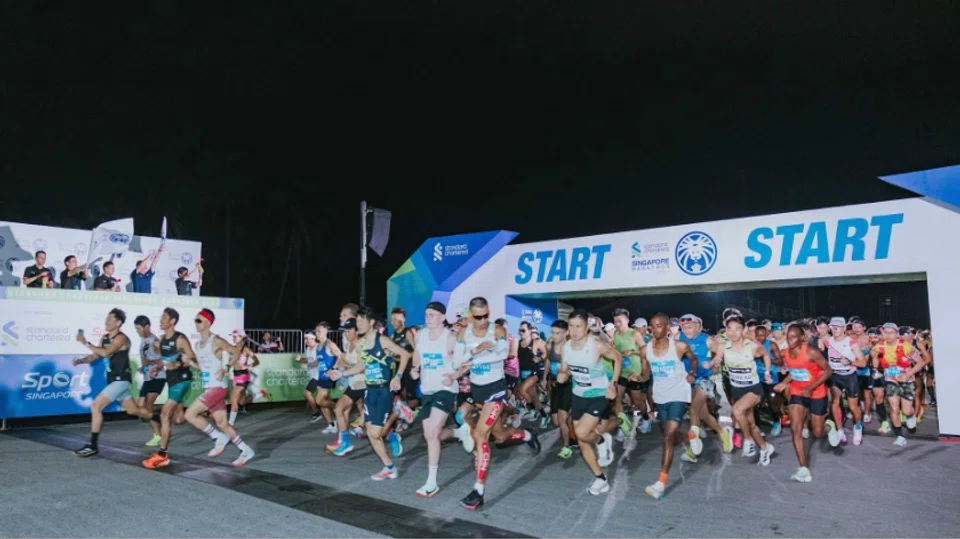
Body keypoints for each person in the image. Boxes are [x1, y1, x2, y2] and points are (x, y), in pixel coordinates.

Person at [453, 297, 540, 511]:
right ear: (471, 315)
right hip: (478, 390)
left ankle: (478, 491)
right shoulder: (464, 333)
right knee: (500, 436)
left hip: (496, 390)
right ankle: (528, 435)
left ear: (489, 313)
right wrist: (476, 351)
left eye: (485, 316)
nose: (482, 321)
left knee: (481, 434)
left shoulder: (498, 330)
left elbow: (501, 355)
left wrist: (472, 359)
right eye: (477, 317)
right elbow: (456, 361)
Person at [328, 306, 411, 480]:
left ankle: (397, 410)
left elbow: (404, 354)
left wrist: (398, 376)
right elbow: (361, 366)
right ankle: (389, 467)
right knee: (369, 431)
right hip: (370, 390)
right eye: (356, 321)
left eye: (360, 321)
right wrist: (341, 373)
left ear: (371, 322)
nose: (358, 324)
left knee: (375, 433)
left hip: (384, 390)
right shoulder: (360, 344)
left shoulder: (383, 341)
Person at [555, 310, 629, 495]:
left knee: (580, 432)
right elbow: (565, 369)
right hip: (578, 394)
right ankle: (601, 479)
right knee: (581, 439)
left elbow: (618, 358)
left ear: (587, 327)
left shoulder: (596, 344)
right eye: (571, 326)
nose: (574, 330)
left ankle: (603, 438)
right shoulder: (566, 347)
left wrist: (614, 384)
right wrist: (562, 375)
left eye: (578, 326)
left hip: (598, 393)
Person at [72, 309, 161, 456]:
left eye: (110, 320)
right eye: (106, 319)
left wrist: (86, 342)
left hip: (121, 381)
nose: (106, 322)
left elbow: (106, 353)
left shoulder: (122, 339)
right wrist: (81, 361)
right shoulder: (105, 338)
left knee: (96, 406)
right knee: (133, 410)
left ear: (118, 323)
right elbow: (96, 355)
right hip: (113, 380)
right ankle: (157, 417)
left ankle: (92, 445)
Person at [409, 301, 470, 497]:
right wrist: (414, 368)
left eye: (432, 315)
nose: (428, 318)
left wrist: (453, 376)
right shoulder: (420, 335)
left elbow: (466, 363)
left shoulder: (450, 338)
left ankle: (431, 482)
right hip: (427, 390)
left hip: (445, 389)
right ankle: (458, 433)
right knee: (430, 435)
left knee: (433, 431)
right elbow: (417, 354)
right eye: (426, 314)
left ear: (443, 317)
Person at [183, 308, 256, 466]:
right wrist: (190, 363)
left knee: (189, 414)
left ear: (208, 323)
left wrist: (227, 367)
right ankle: (245, 450)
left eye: (199, 320)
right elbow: (203, 368)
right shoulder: (198, 344)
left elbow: (235, 351)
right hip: (209, 387)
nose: (196, 323)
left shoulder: (215, 340)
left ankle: (218, 437)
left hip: (218, 388)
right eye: (195, 319)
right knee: (223, 424)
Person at [638, 313, 698, 500]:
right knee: (670, 436)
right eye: (651, 325)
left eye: (658, 325)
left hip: (679, 394)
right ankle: (690, 435)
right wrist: (638, 377)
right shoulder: (645, 350)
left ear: (666, 328)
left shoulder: (679, 346)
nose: (653, 329)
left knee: (667, 437)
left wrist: (692, 373)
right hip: (660, 396)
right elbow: (646, 374)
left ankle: (660, 483)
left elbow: (693, 359)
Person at [711, 315, 775, 465]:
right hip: (736, 389)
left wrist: (767, 372)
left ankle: (748, 441)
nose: (733, 333)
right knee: (751, 424)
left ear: (743, 330)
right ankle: (765, 448)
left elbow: (765, 354)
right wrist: (714, 365)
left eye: (737, 329)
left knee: (737, 411)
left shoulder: (751, 345)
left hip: (753, 389)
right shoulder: (723, 347)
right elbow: (716, 366)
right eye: (729, 329)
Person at [775, 324, 833, 483]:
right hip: (797, 392)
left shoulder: (811, 352)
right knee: (795, 429)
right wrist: (784, 383)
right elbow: (794, 372)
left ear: (802, 338)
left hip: (817, 392)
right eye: (788, 337)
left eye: (794, 337)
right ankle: (803, 469)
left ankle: (829, 426)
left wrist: (811, 387)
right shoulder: (785, 353)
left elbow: (828, 370)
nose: (790, 340)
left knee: (818, 433)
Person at [143, 308, 198, 469]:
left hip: (182, 379)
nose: (161, 320)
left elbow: (193, 358)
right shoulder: (161, 340)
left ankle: (162, 455)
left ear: (172, 321)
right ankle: (197, 412)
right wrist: (157, 369)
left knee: (165, 414)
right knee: (179, 419)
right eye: (161, 317)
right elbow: (164, 360)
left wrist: (179, 364)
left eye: (164, 317)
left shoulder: (180, 339)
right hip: (172, 381)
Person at [871, 322, 930, 446]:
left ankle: (911, 416)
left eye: (891, 332)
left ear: (897, 334)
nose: (888, 335)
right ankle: (899, 435)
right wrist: (876, 368)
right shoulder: (879, 346)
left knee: (906, 410)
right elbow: (874, 356)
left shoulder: (906, 346)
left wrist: (907, 374)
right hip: (890, 381)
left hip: (906, 381)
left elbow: (920, 362)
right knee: (893, 407)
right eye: (885, 332)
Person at [824, 317, 867, 446]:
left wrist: (850, 361)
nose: (835, 329)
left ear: (844, 328)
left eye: (838, 326)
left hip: (849, 376)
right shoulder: (827, 341)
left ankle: (858, 427)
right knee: (834, 403)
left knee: (853, 406)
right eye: (833, 326)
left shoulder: (851, 343)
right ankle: (839, 431)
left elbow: (863, 362)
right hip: (835, 376)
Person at [544, 320, 575, 458]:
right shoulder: (550, 344)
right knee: (556, 421)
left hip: (568, 385)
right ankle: (572, 434)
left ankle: (566, 447)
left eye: (558, 333)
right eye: (553, 332)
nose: (554, 335)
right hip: (555, 385)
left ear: (565, 333)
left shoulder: (569, 348)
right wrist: (545, 377)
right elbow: (548, 361)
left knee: (562, 419)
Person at [134, 315, 165, 447]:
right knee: (141, 411)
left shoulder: (154, 341)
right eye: (136, 329)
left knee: (148, 407)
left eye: (139, 328)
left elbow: (164, 359)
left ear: (147, 327)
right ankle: (168, 408)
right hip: (147, 378)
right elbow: (146, 360)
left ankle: (158, 435)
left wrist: (155, 367)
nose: (137, 331)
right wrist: (143, 367)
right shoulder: (142, 342)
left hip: (158, 377)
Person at [228, 330, 259, 425]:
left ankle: (230, 423)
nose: (233, 338)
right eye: (232, 336)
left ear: (242, 338)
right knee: (241, 402)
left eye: (235, 336)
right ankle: (256, 395)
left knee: (234, 397)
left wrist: (248, 366)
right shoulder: (232, 349)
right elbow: (231, 362)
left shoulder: (246, 350)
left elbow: (257, 361)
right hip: (235, 375)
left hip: (244, 375)